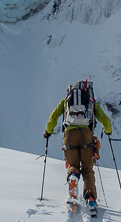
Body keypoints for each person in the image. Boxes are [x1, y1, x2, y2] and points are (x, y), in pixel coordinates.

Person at [43, 79, 112, 212]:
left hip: (69, 136)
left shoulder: (65, 102)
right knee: (87, 169)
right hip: (86, 135)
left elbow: (53, 117)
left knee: (72, 165)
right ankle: (90, 198)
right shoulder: (91, 103)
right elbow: (105, 120)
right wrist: (108, 131)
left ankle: (73, 177)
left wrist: (48, 132)